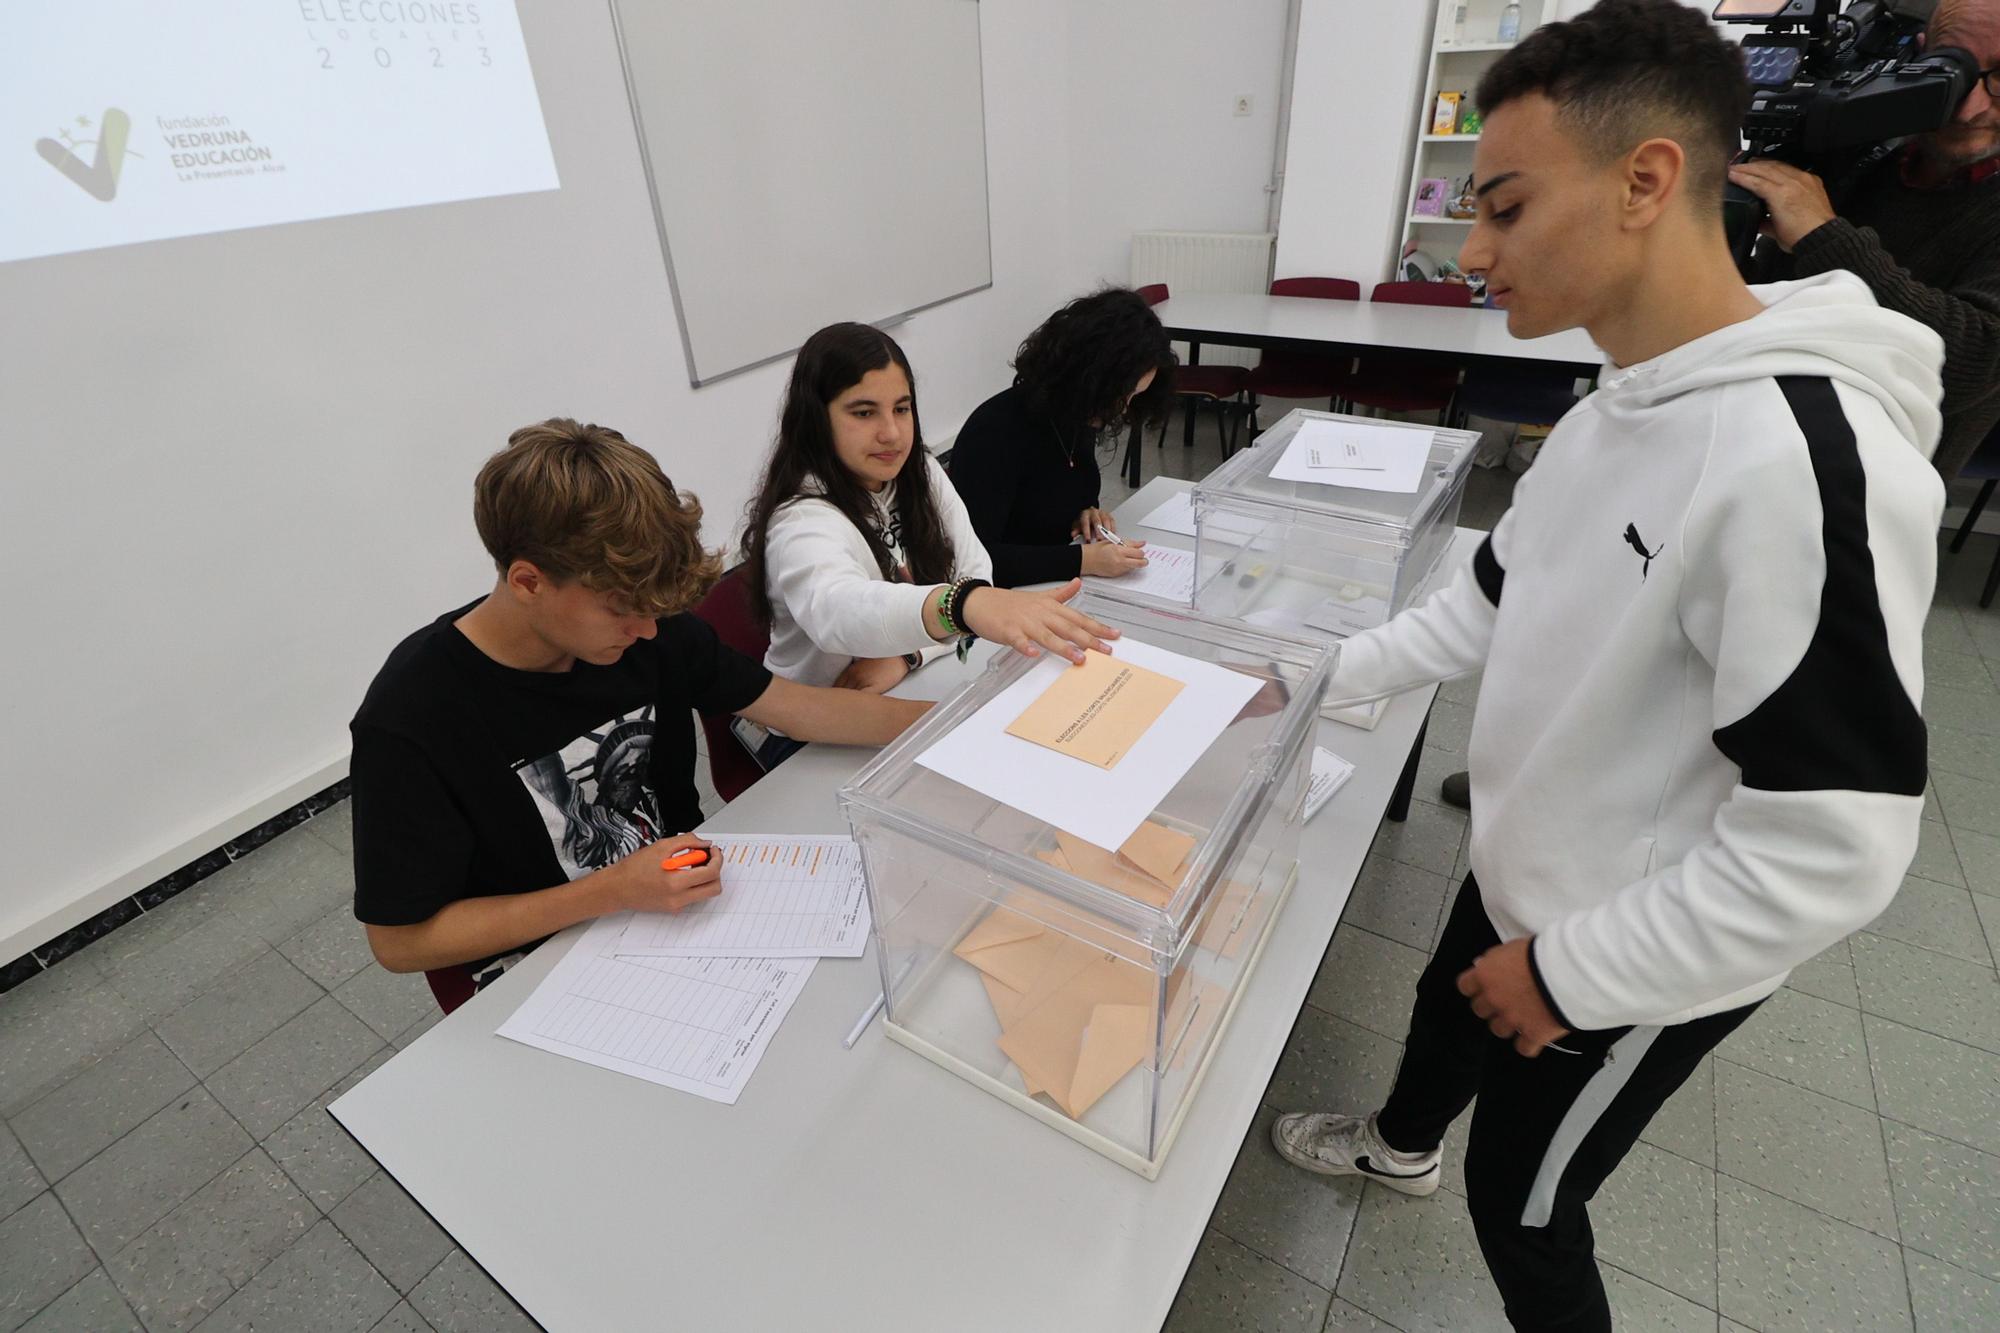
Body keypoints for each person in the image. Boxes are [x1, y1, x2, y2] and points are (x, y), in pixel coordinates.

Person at [1269, 5, 1945, 1330]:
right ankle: (1401, 1140)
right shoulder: (1618, 404)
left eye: (1507, 209)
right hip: (1534, 860)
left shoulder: (1798, 462)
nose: (1473, 253)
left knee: (1526, 1205)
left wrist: (1572, 974)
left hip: (1639, 947)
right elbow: (1483, 604)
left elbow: (1833, 849)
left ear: (1646, 180)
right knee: (1442, 1008)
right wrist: (1301, 679)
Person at [347, 419, 1017, 988]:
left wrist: (971, 727)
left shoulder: (651, 632)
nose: (644, 631)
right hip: (546, 969)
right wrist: (610, 890)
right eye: (621, 610)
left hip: (686, 915)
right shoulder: (413, 715)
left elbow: (799, 708)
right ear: (528, 581)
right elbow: (400, 941)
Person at [735, 323, 1122, 768]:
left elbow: (977, 574)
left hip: (916, 682)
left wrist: (910, 654)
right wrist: (960, 608)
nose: (892, 434)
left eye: (902, 409)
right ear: (815, 419)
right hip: (817, 730)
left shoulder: (918, 470)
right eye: (863, 413)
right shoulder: (801, 518)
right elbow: (838, 613)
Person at [1729, 0, 2000, 480]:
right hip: (1743, 438)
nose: (1969, 108)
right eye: (1951, 68)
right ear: (1918, 57)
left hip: (1865, 500)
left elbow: (1970, 362)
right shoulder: (1864, 144)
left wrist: (1823, 236)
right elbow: (1769, 294)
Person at [946, 288, 1176, 587]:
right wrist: (1085, 560)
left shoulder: (1077, 416)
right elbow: (974, 560)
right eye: (1123, 395)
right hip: (1004, 601)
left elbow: (1061, 496)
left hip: (1054, 586)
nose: (1123, 409)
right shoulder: (994, 432)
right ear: (1090, 376)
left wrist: (1086, 514)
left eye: (1134, 397)